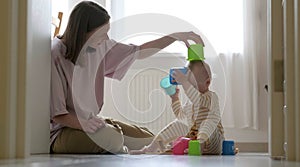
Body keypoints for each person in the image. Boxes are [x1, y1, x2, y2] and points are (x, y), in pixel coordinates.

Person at [50, 1, 205, 154]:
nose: (106, 38)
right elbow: (58, 115)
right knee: (113, 139)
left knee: (150, 139)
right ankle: (121, 150)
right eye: (102, 33)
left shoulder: (99, 46)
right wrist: (84, 124)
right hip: (62, 132)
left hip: (92, 123)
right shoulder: (55, 55)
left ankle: (117, 142)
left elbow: (140, 51)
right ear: (84, 32)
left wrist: (175, 37)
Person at [130, 61, 225, 155]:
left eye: (193, 86)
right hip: (194, 140)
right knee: (178, 124)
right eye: (189, 85)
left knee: (207, 122)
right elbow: (180, 115)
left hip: (213, 142)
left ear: (207, 82)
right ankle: (152, 147)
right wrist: (175, 98)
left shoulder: (211, 97)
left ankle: (200, 145)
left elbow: (197, 99)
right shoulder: (190, 103)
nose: (189, 89)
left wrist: (184, 82)